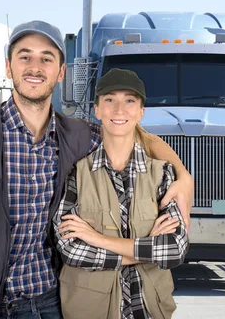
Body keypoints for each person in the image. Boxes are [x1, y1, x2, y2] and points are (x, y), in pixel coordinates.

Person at [0, 20, 194, 319]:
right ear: (8, 67)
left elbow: (138, 136)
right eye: (25, 56)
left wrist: (183, 176)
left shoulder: (83, 136)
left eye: (46, 58)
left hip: (47, 303)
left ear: (60, 73)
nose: (35, 66)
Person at [53, 68, 188, 319]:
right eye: (110, 100)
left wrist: (96, 238)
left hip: (149, 310)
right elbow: (70, 248)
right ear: (97, 109)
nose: (119, 110)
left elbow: (175, 248)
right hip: (90, 310)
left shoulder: (163, 174)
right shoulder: (75, 174)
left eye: (129, 100)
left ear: (140, 112)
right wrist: (146, 252)